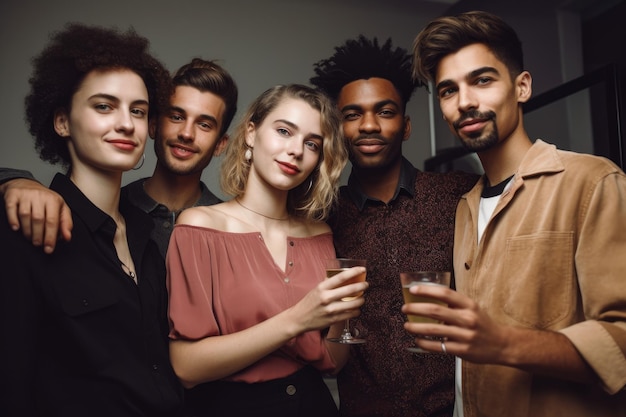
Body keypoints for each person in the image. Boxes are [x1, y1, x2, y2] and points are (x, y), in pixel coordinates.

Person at [408, 10, 626, 417]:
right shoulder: (465, 207)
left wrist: (503, 344)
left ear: (522, 86)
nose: (466, 102)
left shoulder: (591, 182)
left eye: (482, 80)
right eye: (448, 90)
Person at [0, 23, 183, 416]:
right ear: (62, 121)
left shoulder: (146, 231)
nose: (125, 123)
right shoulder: (25, 226)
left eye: (138, 111)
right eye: (104, 106)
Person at [166, 84, 368, 417]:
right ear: (250, 132)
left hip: (313, 404)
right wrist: (298, 319)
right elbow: (186, 368)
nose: (296, 150)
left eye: (311, 143)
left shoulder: (320, 235)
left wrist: (341, 316)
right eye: (284, 131)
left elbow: (332, 362)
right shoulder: (199, 227)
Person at [310, 36, 479, 417]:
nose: (368, 125)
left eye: (384, 112)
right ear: (337, 128)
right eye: (352, 114)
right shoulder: (321, 216)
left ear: (405, 126)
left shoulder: (458, 195)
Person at [0, 57, 238, 257]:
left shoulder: (233, 226)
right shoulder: (112, 211)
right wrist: (15, 181)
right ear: (153, 125)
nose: (186, 133)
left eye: (205, 125)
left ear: (220, 144)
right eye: (176, 117)